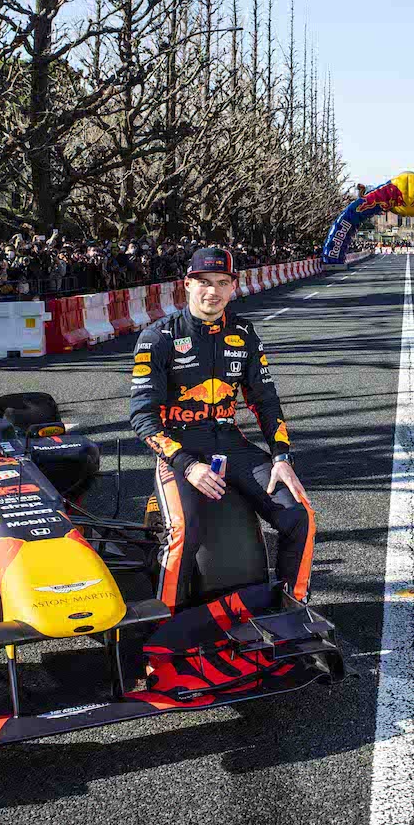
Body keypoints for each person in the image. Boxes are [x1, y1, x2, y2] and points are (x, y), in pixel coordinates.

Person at [129, 245, 314, 611]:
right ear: (186, 284)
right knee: (184, 531)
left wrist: (281, 456)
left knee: (299, 516)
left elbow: (265, 400)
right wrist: (188, 466)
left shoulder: (244, 333)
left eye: (221, 282)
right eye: (203, 282)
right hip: (179, 449)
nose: (211, 291)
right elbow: (142, 418)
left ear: (233, 287)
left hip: (231, 443)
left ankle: (292, 609)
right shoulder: (158, 337)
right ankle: (163, 626)